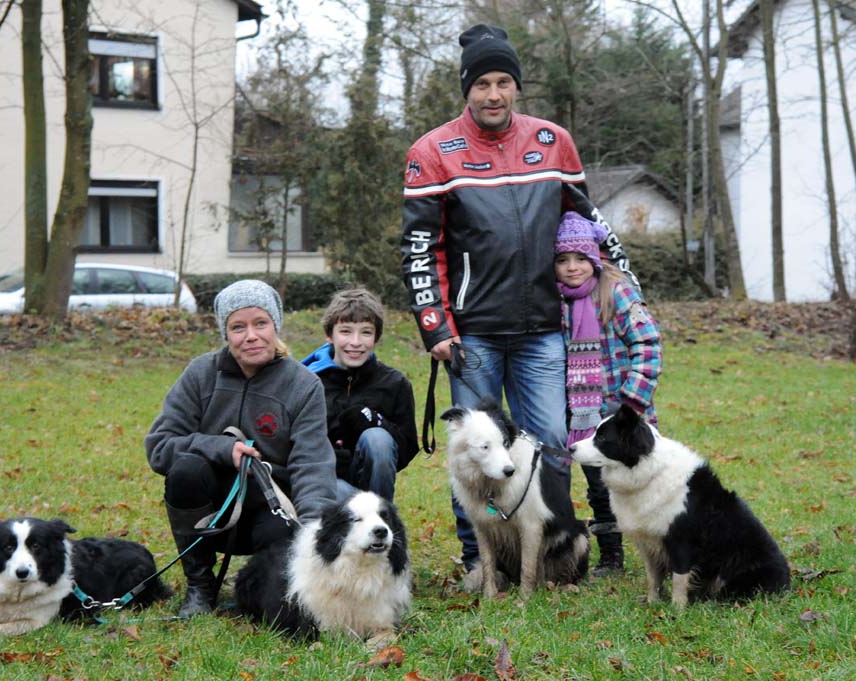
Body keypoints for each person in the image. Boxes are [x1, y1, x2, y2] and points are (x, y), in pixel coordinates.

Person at [400, 24, 633, 572]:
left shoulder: (553, 141)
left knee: (551, 441)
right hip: (471, 333)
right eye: (482, 84)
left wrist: (623, 282)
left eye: (504, 81)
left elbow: (587, 224)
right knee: (476, 452)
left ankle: (551, 552)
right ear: (467, 90)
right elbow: (418, 248)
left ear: (517, 88)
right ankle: (480, 559)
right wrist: (436, 327)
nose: (493, 94)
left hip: (544, 330)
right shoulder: (432, 151)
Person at [144, 280, 336, 618]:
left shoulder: (304, 385)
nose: (251, 335)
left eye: (260, 323)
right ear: (225, 333)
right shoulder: (200, 374)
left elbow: (312, 464)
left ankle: (267, 584)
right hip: (211, 513)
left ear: (275, 325)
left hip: (271, 507)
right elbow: (160, 446)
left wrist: (311, 534)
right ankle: (201, 588)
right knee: (186, 469)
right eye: (238, 327)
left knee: (274, 598)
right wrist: (222, 449)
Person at [554, 211, 662, 576]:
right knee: (599, 486)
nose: (572, 268)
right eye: (563, 260)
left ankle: (663, 543)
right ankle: (611, 554)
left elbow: (647, 344)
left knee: (643, 479)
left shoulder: (616, 290)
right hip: (582, 412)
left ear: (596, 257)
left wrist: (631, 404)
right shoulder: (555, 300)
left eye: (581, 258)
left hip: (621, 407)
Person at [300, 288, 418, 502]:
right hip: (323, 482)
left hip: (373, 486)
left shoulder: (394, 383)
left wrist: (379, 423)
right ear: (330, 335)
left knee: (377, 438)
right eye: (345, 332)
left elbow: (407, 448)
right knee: (339, 493)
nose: (356, 342)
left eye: (365, 332)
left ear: (376, 337)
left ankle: (381, 521)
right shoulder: (306, 381)